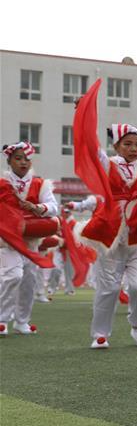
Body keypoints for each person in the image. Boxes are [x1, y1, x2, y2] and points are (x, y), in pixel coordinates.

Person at [68, 124, 137, 349]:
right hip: (110, 238)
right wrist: (84, 116)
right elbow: (92, 148)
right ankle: (100, 334)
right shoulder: (108, 164)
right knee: (108, 289)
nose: (133, 149)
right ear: (116, 146)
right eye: (127, 144)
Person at [0, 142, 58, 336]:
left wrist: (37, 208)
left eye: (27, 159)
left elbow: (53, 207)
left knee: (28, 281)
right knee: (13, 276)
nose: (23, 162)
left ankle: (22, 321)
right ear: (9, 161)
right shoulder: (2, 183)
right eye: (18, 158)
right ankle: (2, 319)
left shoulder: (40, 184)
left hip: (31, 240)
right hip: (7, 240)